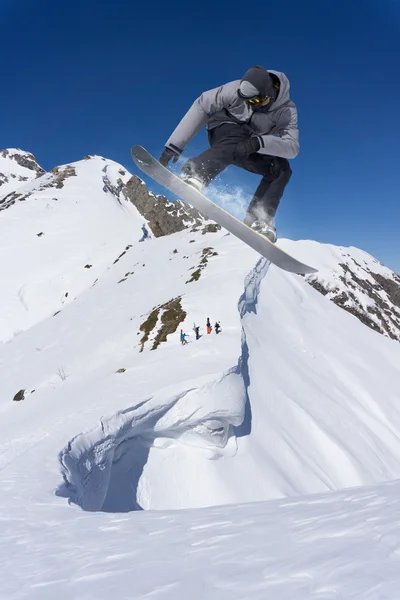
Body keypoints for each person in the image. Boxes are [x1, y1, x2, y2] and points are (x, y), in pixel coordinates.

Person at [159, 65, 298, 243]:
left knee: (281, 169)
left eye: (255, 102)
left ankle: (258, 218)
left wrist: (259, 143)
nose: (250, 105)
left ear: (270, 93)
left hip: (250, 145)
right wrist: (175, 145)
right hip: (222, 130)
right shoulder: (234, 89)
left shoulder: (286, 111)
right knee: (239, 135)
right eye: (247, 101)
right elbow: (202, 104)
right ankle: (197, 172)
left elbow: (292, 146)